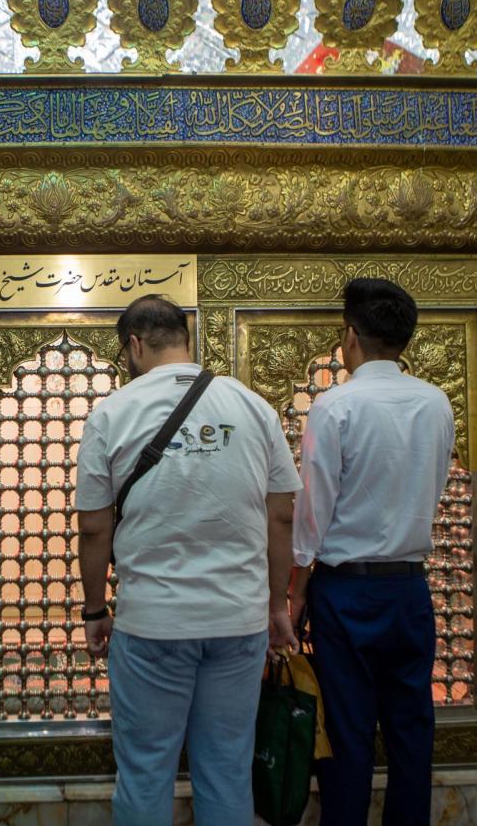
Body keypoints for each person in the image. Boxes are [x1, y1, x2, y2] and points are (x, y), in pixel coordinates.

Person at [74, 294, 302, 826]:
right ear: (186, 338)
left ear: (134, 345)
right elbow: (281, 517)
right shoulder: (253, 407)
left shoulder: (111, 413)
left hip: (153, 624)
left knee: (145, 772)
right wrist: (277, 605)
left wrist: (94, 610)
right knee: (226, 770)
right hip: (237, 622)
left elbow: (94, 527)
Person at [290, 278, 455, 826]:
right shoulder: (436, 403)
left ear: (350, 337)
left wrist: (294, 594)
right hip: (409, 588)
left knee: (346, 731)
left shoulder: (335, 406)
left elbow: (313, 511)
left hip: (346, 591)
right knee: (411, 730)